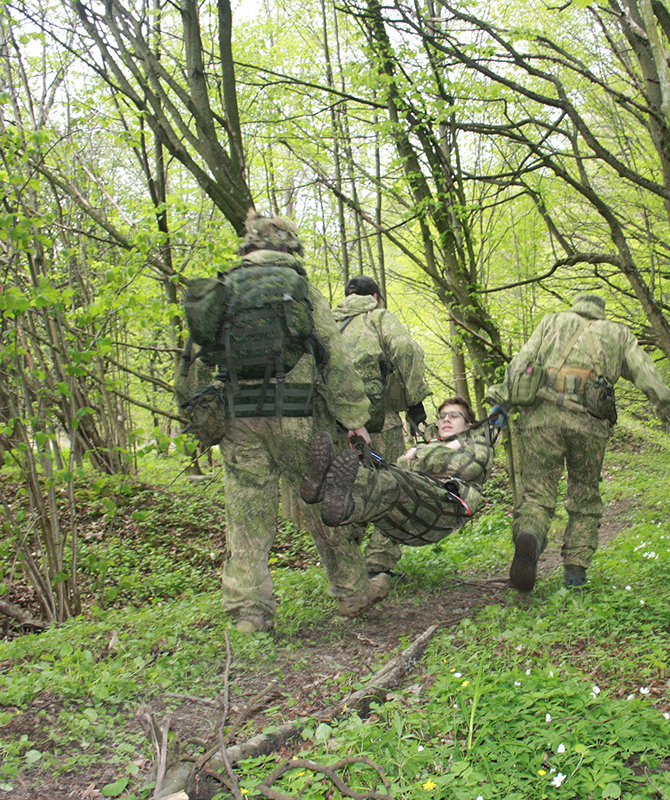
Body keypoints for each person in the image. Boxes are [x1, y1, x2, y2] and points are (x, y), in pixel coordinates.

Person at [177, 211, 386, 631]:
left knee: (246, 516)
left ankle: (249, 612)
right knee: (323, 499)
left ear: (248, 246)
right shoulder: (301, 288)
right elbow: (334, 355)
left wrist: (200, 420)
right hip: (299, 417)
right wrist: (354, 418)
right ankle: (351, 591)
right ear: (291, 248)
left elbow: (193, 364)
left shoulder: (223, 289)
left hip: (240, 420)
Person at [486, 293, 670, 592]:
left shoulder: (552, 322)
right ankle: (575, 573)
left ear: (577, 306)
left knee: (537, 494)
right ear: (600, 311)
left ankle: (531, 534)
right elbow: (645, 371)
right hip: (590, 423)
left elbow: (522, 361)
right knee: (584, 495)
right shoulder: (618, 333)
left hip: (542, 417)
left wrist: (501, 402)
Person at [331, 275, 431, 581]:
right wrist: (415, 400)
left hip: (335, 423)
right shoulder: (377, 317)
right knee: (392, 485)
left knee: (347, 488)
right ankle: (378, 563)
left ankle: (345, 564)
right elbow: (406, 348)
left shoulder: (327, 322)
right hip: (379, 421)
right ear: (375, 297)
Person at [301, 397, 495, 550]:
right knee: (379, 480)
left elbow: (465, 468)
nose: (446, 420)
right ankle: (324, 485)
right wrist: (432, 454)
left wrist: (418, 454)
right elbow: (401, 465)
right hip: (412, 507)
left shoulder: (477, 444)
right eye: (442, 416)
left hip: (445, 508)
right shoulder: (432, 445)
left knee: (392, 482)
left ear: (469, 425)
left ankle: (342, 502)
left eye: (454, 416)